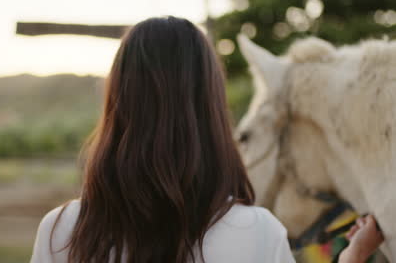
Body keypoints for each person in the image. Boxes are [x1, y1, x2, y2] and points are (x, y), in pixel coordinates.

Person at [30, 16, 384, 263]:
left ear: (117, 104)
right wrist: (351, 257)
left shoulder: (60, 232)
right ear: (210, 108)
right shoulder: (258, 233)